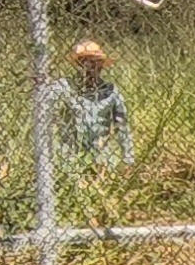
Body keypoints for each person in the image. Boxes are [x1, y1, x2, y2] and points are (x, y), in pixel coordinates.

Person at [47, 39, 132, 168]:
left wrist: (128, 159)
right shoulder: (63, 87)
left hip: (102, 158)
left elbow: (123, 126)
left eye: (97, 62)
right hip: (70, 156)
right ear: (78, 63)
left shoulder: (110, 91)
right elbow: (47, 117)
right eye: (86, 61)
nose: (92, 66)